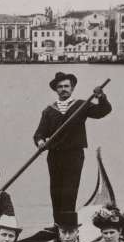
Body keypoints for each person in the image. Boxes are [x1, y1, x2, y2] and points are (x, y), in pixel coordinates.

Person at [33, 72, 112, 221]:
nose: (63, 89)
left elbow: (103, 111)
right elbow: (39, 134)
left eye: (66, 86)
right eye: (60, 87)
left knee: (69, 192)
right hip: (55, 156)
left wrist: (101, 97)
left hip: (74, 155)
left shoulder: (81, 105)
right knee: (56, 192)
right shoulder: (49, 110)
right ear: (56, 90)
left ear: (72, 88)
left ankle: (68, 228)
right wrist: (41, 142)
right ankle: (58, 227)